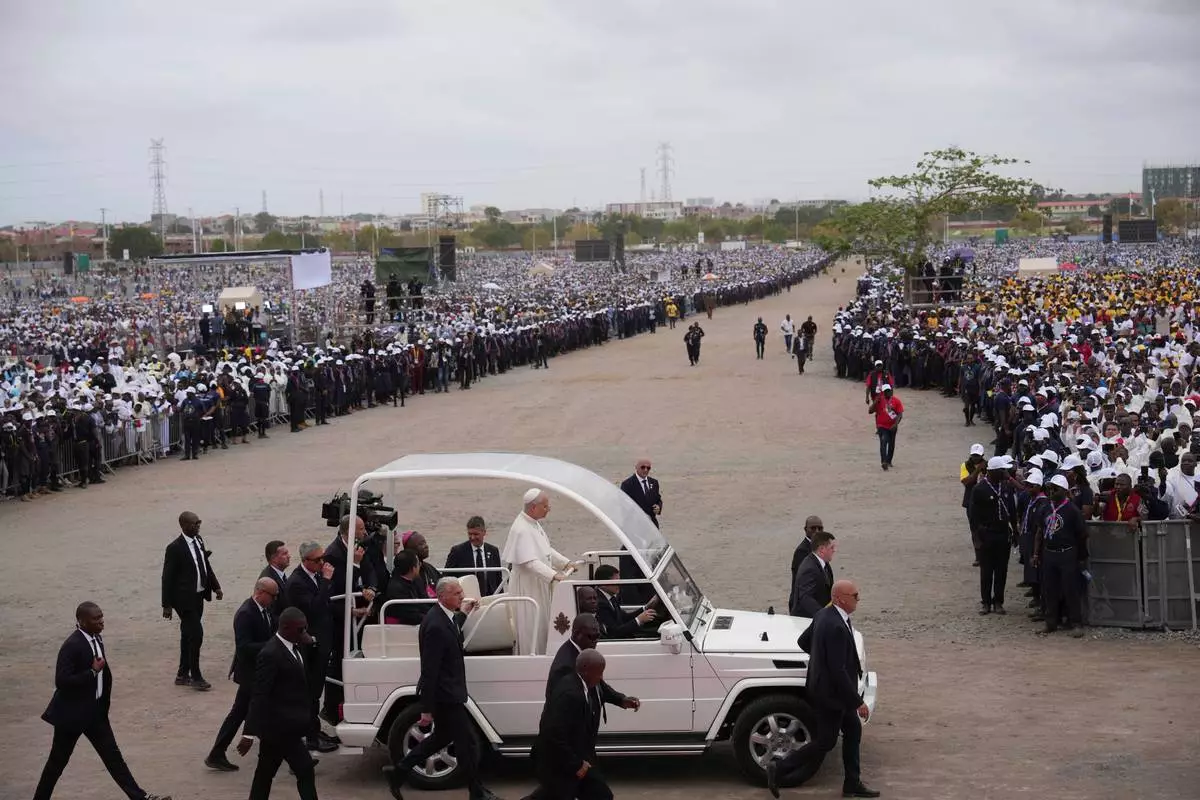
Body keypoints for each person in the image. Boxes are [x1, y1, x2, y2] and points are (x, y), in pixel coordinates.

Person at [33, 602, 172, 800]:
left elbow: (103, 674)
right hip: (72, 716)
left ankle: (140, 798)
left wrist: (102, 705)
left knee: (114, 758)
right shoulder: (72, 646)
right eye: (96, 618)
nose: (101, 621)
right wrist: (91, 672)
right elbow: (62, 681)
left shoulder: (96, 637)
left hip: (95, 714)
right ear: (82, 621)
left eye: (101, 617)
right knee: (56, 763)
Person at [387, 578, 498, 800]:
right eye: (456, 593)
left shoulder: (444, 617)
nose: (461, 596)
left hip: (450, 692)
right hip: (445, 695)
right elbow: (430, 670)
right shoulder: (435, 626)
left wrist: (464, 612)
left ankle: (399, 771)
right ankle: (476, 792)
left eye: (461, 592)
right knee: (467, 743)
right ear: (441, 597)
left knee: (441, 738)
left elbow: (453, 625)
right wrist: (426, 709)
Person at [767, 581, 878, 799]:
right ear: (840, 598)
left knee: (853, 730)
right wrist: (858, 702)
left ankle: (852, 783)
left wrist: (821, 657)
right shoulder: (835, 626)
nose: (858, 599)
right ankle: (778, 768)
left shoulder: (824, 615)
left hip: (831, 691)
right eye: (855, 595)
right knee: (826, 742)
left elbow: (803, 641)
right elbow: (838, 671)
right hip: (831, 695)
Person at [237, 607, 319, 800]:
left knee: (265, 774)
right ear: (285, 628)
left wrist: (311, 644)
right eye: (301, 629)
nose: (304, 633)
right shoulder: (270, 654)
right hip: (279, 728)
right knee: (305, 769)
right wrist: (248, 733)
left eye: (305, 628)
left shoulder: (296, 645)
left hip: (284, 727)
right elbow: (259, 695)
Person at [207, 577, 280, 772]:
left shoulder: (265, 610)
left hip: (259, 671)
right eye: (272, 596)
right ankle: (217, 753)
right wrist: (271, 645)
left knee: (247, 711)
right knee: (241, 712)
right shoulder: (246, 614)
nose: (274, 599)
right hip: (250, 674)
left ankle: (218, 753)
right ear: (260, 592)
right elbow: (244, 648)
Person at [531, 649, 615, 800]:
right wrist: (576, 765)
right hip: (556, 762)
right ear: (586, 670)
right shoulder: (570, 694)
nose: (601, 677)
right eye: (599, 673)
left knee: (601, 795)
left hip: (573, 757)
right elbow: (552, 735)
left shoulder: (582, 685)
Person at [501, 489, 577, 654]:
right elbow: (529, 562)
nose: (549, 509)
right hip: (527, 587)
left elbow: (546, 549)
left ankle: (543, 656)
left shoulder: (533, 523)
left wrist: (565, 563)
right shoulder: (521, 529)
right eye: (545, 506)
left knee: (543, 624)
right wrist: (554, 575)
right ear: (533, 508)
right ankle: (530, 658)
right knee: (531, 627)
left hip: (539, 584)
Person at [284, 541, 339, 754]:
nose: (322, 563)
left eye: (323, 558)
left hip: (322, 641)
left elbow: (326, 604)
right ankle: (311, 737)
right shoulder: (297, 582)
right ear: (305, 560)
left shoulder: (314, 576)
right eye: (317, 560)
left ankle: (314, 730)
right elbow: (314, 608)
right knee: (311, 693)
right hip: (309, 646)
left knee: (316, 691)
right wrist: (326, 581)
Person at [322, 514, 378, 725]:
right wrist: (354, 564)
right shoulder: (333, 554)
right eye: (361, 529)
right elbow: (337, 588)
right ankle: (331, 710)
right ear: (348, 532)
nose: (365, 532)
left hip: (359, 613)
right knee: (339, 663)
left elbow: (370, 569)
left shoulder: (359, 546)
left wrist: (371, 588)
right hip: (340, 618)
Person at [161, 510, 222, 691]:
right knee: (196, 634)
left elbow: (205, 565)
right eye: (195, 523)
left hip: (198, 596)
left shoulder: (199, 540)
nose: (198, 526)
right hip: (183, 600)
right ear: (184, 525)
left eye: (199, 522)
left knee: (187, 633)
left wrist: (216, 586)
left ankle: (182, 674)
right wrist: (166, 605)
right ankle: (195, 676)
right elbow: (167, 577)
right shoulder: (174, 548)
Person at [1034, 474, 1088, 637]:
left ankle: (1076, 623)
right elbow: (1040, 531)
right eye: (1050, 488)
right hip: (1049, 553)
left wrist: (1081, 556)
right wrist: (1036, 553)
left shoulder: (1072, 510)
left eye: (1055, 489)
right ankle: (1051, 622)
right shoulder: (1045, 508)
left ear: (1064, 490)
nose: (1051, 492)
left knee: (1070, 589)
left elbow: (1082, 534)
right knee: (1049, 589)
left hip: (1067, 553)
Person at [969, 456, 1016, 615]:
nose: (1004, 473)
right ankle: (986, 602)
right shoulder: (979, 489)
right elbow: (973, 516)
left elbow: (1012, 510)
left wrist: (1015, 531)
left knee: (1002, 570)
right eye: (1001, 470)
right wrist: (976, 538)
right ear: (992, 472)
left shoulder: (1006, 487)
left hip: (1003, 533)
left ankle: (998, 601)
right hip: (987, 533)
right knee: (986, 570)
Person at [592, 565, 658, 638]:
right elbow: (613, 632)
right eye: (616, 581)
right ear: (603, 584)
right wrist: (639, 620)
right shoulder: (600, 603)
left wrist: (646, 607)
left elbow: (624, 617)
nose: (619, 584)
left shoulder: (611, 598)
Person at [445, 515, 503, 596]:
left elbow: (498, 579)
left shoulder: (493, 551)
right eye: (470, 534)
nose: (472, 537)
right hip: (466, 598)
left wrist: (501, 599)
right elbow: (447, 578)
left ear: (484, 532)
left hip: (490, 597)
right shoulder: (457, 552)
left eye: (476, 534)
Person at [789, 531, 836, 618]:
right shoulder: (809, 569)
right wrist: (823, 616)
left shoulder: (824, 563)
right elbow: (805, 598)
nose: (834, 550)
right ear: (822, 549)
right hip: (806, 619)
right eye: (831, 547)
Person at [383, 551, 434, 624]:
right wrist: (432, 618)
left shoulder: (417, 580)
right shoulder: (396, 588)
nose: (420, 565)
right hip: (402, 626)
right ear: (413, 569)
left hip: (421, 617)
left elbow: (425, 601)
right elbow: (410, 616)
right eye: (418, 563)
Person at [788, 516, 824, 611]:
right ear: (805, 529)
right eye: (813, 528)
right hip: (803, 607)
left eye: (820, 528)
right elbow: (802, 583)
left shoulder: (820, 549)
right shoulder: (802, 551)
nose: (817, 531)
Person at [868, 384, 903, 470]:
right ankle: (884, 461)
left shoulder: (896, 401)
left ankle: (889, 461)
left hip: (892, 426)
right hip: (882, 426)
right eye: (886, 391)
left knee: (891, 443)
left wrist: (896, 424)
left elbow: (900, 414)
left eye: (889, 391)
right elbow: (870, 411)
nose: (888, 393)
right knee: (883, 441)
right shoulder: (879, 400)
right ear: (883, 392)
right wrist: (875, 403)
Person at [619, 458, 663, 528]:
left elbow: (658, 499)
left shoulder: (654, 482)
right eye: (643, 467)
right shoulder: (627, 484)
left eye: (648, 468)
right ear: (636, 467)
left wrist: (658, 507)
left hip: (651, 524)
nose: (645, 470)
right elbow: (623, 505)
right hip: (634, 525)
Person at [260, 540, 290, 617]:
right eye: (284, 554)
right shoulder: (268, 581)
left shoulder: (279, 574)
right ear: (273, 558)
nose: (289, 556)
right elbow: (270, 613)